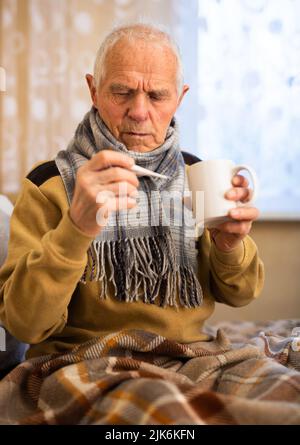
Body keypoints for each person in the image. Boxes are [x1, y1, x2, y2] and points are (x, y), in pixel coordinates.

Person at [0, 24, 264, 359]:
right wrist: (76, 229)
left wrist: (229, 246)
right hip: (81, 361)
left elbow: (242, 293)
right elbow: (24, 324)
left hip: (186, 357)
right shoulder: (47, 184)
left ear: (180, 98)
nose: (139, 112)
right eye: (122, 92)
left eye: (157, 95)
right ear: (93, 91)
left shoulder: (195, 175)